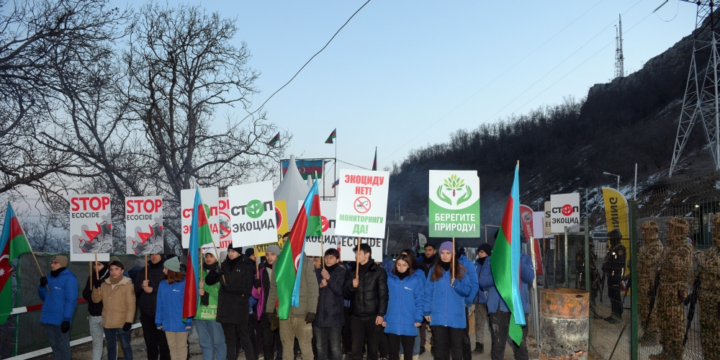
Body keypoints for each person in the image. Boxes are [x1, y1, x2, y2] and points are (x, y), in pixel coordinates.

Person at [649, 218, 694, 360]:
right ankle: (666, 351)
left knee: (675, 323)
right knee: (663, 320)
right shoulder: (670, 247)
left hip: (675, 291)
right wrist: (659, 267)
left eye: (670, 228)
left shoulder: (685, 247)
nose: (667, 230)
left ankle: (676, 354)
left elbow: (676, 266)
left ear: (678, 229)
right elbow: (656, 264)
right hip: (664, 289)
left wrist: (661, 265)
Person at [479, 249, 535, 360]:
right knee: (498, 346)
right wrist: (500, 274)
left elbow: (529, 277)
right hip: (498, 308)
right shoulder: (491, 260)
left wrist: (516, 260)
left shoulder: (524, 258)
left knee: (520, 345)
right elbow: (483, 281)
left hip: (518, 308)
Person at [205, 246, 258, 360]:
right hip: (225, 308)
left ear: (239, 253)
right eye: (229, 251)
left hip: (239, 308)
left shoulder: (246, 265)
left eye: (233, 251)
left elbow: (247, 288)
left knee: (245, 338)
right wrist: (215, 272)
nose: (230, 253)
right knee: (230, 340)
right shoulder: (223, 265)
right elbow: (208, 281)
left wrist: (230, 287)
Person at [423, 241, 473, 360]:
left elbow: (467, 290)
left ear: (453, 254)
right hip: (438, 315)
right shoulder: (434, 270)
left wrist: (456, 284)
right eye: (443, 253)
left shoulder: (460, 270)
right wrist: (426, 310)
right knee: (440, 348)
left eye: (448, 253)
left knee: (456, 348)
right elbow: (428, 291)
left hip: (455, 316)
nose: (445, 256)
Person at [266, 248, 319, 360]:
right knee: (287, 349)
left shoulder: (305, 262)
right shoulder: (278, 263)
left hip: (303, 315)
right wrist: (269, 309)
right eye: (284, 242)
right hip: (284, 314)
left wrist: (312, 310)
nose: (287, 244)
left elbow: (313, 288)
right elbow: (274, 288)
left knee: (306, 350)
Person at [343, 243, 389, 360]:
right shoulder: (351, 272)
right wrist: (352, 286)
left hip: (373, 316)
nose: (356, 256)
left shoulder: (378, 272)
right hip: (356, 316)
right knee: (356, 349)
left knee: (373, 350)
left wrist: (381, 314)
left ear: (367, 254)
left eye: (359, 253)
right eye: (355, 253)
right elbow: (345, 294)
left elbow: (383, 295)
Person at [92, 260, 135, 360]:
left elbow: (131, 304)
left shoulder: (127, 285)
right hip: (108, 321)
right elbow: (96, 299)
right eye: (111, 269)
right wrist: (96, 287)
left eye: (116, 269)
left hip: (122, 321)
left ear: (122, 271)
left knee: (125, 346)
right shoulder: (104, 285)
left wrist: (128, 321)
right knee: (110, 347)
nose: (114, 272)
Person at [383, 254, 424, 360]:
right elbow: (384, 299)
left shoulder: (415, 280)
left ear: (409, 266)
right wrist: (384, 317)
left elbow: (419, 300)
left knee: (408, 353)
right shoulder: (389, 279)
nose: (401, 268)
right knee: (393, 353)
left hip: (409, 321)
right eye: (399, 265)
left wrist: (418, 318)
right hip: (392, 319)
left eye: (404, 265)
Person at [38, 255, 78, 360]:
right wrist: (42, 286)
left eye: (55, 262)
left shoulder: (69, 278)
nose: (52, 264)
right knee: (54, 346)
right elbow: (43, 297)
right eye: (51, 262)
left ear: (62, 264)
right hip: (48, 317)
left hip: (61, 318)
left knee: (63, 346)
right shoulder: (49, 277)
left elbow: (71, 300)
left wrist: (67, 319)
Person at [155, 256, 192, 360]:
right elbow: (160, 303)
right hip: (167, 321)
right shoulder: (163, 284)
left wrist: (189, 320)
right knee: (172, 347)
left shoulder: (184, 283)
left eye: (165, 268)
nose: (163, 270)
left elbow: (189, 303)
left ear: (171, 270)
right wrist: (158, 321)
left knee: (181, 346)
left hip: (181, 321)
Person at [135, 253, 171, 360]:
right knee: (150, 344)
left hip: (161, 313)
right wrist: (142, 286)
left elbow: (170, 290)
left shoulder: (166, 270)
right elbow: (135, 290)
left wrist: (153, 290)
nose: (154, 257)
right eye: (151, 254)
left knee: (163, 344)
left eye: (157, 254)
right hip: (146, 312)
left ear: (161, 255)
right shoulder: (144, 270)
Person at [314, 248, 347, 360]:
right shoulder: (318, 272)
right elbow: (311, 291)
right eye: (326, 257)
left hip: (334, 317)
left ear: (337, 260)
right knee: (320, 347)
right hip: (319, 316)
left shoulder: (342, 273)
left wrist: (329, 278)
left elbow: (340, 291)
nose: (328, 260)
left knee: (335, 347)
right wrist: (320, 286)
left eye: (331, 257)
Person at [196, 249, 226, 360]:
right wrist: (197, 290)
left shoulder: (221, 272)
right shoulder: (199, 270)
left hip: (214, 314)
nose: (208, 259)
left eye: (211, 256)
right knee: (205, 344)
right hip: (200, 314)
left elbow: (220, 292)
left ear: (217, 258)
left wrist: (205, 287)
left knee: (218, 343)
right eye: (207, 256)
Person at [697, 214, 720, 360]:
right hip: (707, 299)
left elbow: (715, 267)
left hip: (717, 300)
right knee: (707, 337)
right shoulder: (713, 249)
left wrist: (701, 258)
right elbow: (700, 270)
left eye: (716, 226)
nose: (712, 229)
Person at [253, 245, 282, 360]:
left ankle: (280, 357)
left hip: (281, 309)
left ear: (278, 255)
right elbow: (256, 295)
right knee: (267, 342)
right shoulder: (260, 271)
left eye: (272, 254)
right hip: (266, 311)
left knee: (283, 340)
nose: (269, 257)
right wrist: (256, 286)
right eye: (267, 255)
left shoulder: (283, 269)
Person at [637, 221, 663, 346]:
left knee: (651, 309)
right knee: (643, 309)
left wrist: (638, 263)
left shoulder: (656, 246)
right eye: (643, 231)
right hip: (642, 282)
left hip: (650, 284)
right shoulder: (645, 246)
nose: (643, 233)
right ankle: (646, 333)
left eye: (646, 231)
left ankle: (653, 336)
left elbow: (647, 263)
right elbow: (639, 263)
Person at [82, 261, 109, 360]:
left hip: (106, 315)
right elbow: (85, 294)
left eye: (99, 264)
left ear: (105, 265)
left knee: (111, 342)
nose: (95, 267)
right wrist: (92, 290)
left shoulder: (109, 277)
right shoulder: (92, 276)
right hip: (93, 315)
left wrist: (99, 288)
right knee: (96, 343)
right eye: (94, 264)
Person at [602, 229, 626, 323]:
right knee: (611, 295)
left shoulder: (620, 248)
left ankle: (618, 315)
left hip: (615, 276)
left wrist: (607, 267)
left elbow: (620, 263)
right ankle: (613, 314)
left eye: (611, 238)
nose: (610, 240)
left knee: (616, 296)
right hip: (611, 276)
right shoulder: (613, 248)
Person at [472, 243, 492, 355]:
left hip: (490, 300)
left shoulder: (492, 263)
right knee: (479, 324)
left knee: (492, 325)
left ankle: (495, 346)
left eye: (482, 252)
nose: (480, 254)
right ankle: (479, 345)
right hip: (479, 300)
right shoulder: (476, 265)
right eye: (479, 252)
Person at [417, 242, 437, 354]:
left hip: (433, 296)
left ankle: (434, 344)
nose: (428, 252)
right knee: (421, 322)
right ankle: (421, 345)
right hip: (422, 296)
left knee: (433, 322)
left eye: (430, 250)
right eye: (426, 250)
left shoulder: (438, 264)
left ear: (434, 251)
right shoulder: (419, 264)